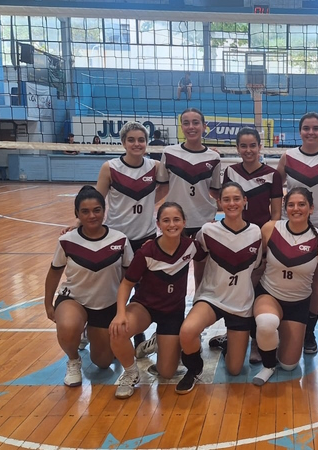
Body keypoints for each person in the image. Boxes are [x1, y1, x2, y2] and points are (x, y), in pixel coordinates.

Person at [109, 202, 206, 399]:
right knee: (118, 331)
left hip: (172, 312)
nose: (172, 224)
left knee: (167, 372)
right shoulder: (146, 252)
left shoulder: (191, 247)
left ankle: (160, 341)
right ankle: (130, 373)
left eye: (176, 219)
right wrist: (120, 314)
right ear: (158, 224)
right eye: (166, 220)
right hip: (144, 307)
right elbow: (126, 284)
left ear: (184, 222)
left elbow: (207, 255)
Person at [251, 187, 318, 386]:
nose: (296, 209)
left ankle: (272, 342)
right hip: (269, 295)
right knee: (267, 322)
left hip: (299, 304)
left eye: (301, 204)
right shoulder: (270, 229)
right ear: (285, 208)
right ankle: (268, 364)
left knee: (289, 365)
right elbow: (253, 262)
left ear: (311, 208)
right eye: (291, 205)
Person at [177, 182, 262, 394]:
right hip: (211, 298)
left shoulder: (256, 233)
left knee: (234, 369)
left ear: (245, 201)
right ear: (219, 203)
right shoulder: (207, 231)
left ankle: (228, 342)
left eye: (236, 199)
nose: (231, 203)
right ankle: (194, 369)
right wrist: (199, 293)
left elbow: (257, 268)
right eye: (226, 199)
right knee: (187, 331)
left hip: (240, 305)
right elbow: (199, 261)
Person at [44, 186, 134, 387]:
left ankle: (89, 331)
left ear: (104, 211)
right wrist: (48, 304)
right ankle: (73, 359)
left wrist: (121, 307)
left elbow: (128, 277)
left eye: (96, 210)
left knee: (103, 363)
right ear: (77, 214)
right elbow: (54, 272)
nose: (92, 215)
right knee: (68, 326)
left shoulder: (120, 240)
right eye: (85, 211)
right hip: (74, 299)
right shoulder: (66, 240)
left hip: (106, 304)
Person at [93, 121, 168, 351]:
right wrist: (78, 224)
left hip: (144, 238)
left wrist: (147, 204)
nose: (137, 144)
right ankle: (105, 331)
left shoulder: (155, 166)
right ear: (123, 142)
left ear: (146, 143)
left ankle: (139, 334)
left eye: (141, 140)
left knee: (142, 289)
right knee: (115, 288)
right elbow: (97, 200)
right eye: (132, 140)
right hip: (116, 238)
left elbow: (163, 189)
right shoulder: (110, 167)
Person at [215, 127, 283, 363]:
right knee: (234, 285)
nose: (248, 150)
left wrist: (264, 244)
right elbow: (226, 207)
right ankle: (231, 331)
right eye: (243, 146)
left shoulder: (272, 175)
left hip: (259, 240)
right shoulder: (231, 172)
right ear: (237, 148)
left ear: (259, 146)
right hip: (234, 239)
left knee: (255, 288)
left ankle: (255, 338)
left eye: (252, 145)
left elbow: (275, 215)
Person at [277, 112, 318, 355]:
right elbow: (277, 189)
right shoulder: (288, 157)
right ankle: (285, 325)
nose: (311, 132)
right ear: (300, 131)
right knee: (289, 279)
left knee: (314, 281)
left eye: (316, 128)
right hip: (290, 227)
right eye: (306, 128)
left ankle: (308, 333)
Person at [161, 108, 221, 288]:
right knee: (175, 270)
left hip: (203, 220)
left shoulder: (214, 157)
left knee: (201, 272)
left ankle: (198, 305)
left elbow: (216, 191)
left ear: (204, 126)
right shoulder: (169, 153)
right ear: (181, 127)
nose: (191, 127)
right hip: (175, 222)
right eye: (186, 123)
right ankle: (175, 310)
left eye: (196, 122)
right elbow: (162, 187)